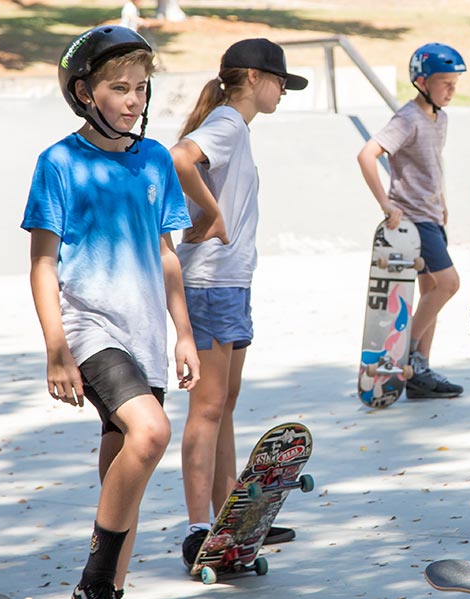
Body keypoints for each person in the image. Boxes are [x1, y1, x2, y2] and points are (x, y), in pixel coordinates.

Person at [22, 25, 200, 599]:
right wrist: (56, 350)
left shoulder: (154, 160)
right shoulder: (58, 163)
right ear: (83, 93)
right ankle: (95, 584)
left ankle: (112, 590)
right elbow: (43, 264)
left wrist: (184, 336)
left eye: (141, 89)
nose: (132, 100)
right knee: (151, 434)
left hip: (145, 334)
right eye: (118, 88)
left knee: (124, 479)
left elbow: (167, 256)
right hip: (89, 328)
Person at [171, 38, 309, 566]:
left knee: (223, 403)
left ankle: (231, 521)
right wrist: (209, 216)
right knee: (206, 408)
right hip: (210, 284)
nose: (282, 91)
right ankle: (198, 527)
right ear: (252, 78)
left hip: (229, 284)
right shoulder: (228, 123)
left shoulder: (236, 128)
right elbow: (180, 156)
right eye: (279, 81)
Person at [356, 42, 467, 398]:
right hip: (414, 220)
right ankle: (407, 349)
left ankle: (418, 371)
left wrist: (444, 201)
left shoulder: (441, 118)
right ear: (421, 82)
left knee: (430, 290)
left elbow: (433, 163)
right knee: (448, 284)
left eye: (455, 82)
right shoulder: (408, 118)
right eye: (444, 82)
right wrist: (386, 204)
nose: (452, 89)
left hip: (433, 215)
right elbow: (367, 154)